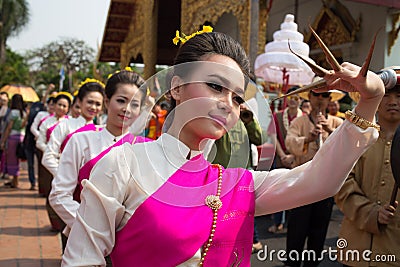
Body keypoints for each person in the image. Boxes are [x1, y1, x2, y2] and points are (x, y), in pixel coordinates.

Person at [62, 30, 384, 267]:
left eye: (237, 98)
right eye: (216, 86)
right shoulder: (123, 164)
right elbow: (82, 261)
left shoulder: (236, 184)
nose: (227, 104)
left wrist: (369, 102)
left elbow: (318, 181)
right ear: (176, 87)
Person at [49, 70, 150, 252]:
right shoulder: (81, 141)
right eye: (121, 100)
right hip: (84, 237)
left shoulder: (145, 149)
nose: (127, 109)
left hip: (128, 243)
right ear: (107, 101)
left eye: (134, 104)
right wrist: (92, 228)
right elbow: (59, 195)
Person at [334, 67, 400, 267]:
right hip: (355, 248)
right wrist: (371, 213)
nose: (393, 101)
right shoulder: (357, 137)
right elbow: (341, 182)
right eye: (386, 95)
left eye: (399, 96)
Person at [284, 89, 345, 267]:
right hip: (302, 183)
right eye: (316, 95)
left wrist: (330, 130)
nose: (320, 99)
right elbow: (289, 142)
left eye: (324, 95)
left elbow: (347, 145)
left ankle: (312, 264)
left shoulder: (338, 122)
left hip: (325, 185)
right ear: (309, 97)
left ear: (329, 99)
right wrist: (307, 139)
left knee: (319, 230)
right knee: (297, 228)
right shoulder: (299, 121)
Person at [42, 80, 105, 176]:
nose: (93, 107)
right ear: (79, 101)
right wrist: (66, 177)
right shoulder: (65, 125)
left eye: (98, 104)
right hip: (66, 185)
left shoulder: (101, 130)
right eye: (90, 102)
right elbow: (48, 158)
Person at [267, 86, 304, 234]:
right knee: (278, 191)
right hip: (281, 158)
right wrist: (283, 156)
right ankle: (278, 223)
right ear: (286, 99)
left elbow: (306, 141)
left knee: (297, 192)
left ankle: (292, 223)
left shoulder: (304, 117)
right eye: (291, 97)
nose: (293, 100)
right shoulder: (278, 115)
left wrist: (294, 156)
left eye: (297, 98)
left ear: (300, 100)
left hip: (299, 159)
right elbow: (273, 136)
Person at [0, 94, 27, 188]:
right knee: (17, 159)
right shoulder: (24, 113)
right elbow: (23, 126)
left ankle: (15, 181)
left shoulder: (13, 113)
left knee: (12, 159)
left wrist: (3, 140)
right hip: (21, 137)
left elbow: (9, 127)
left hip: (12, 137)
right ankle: (14, 180)